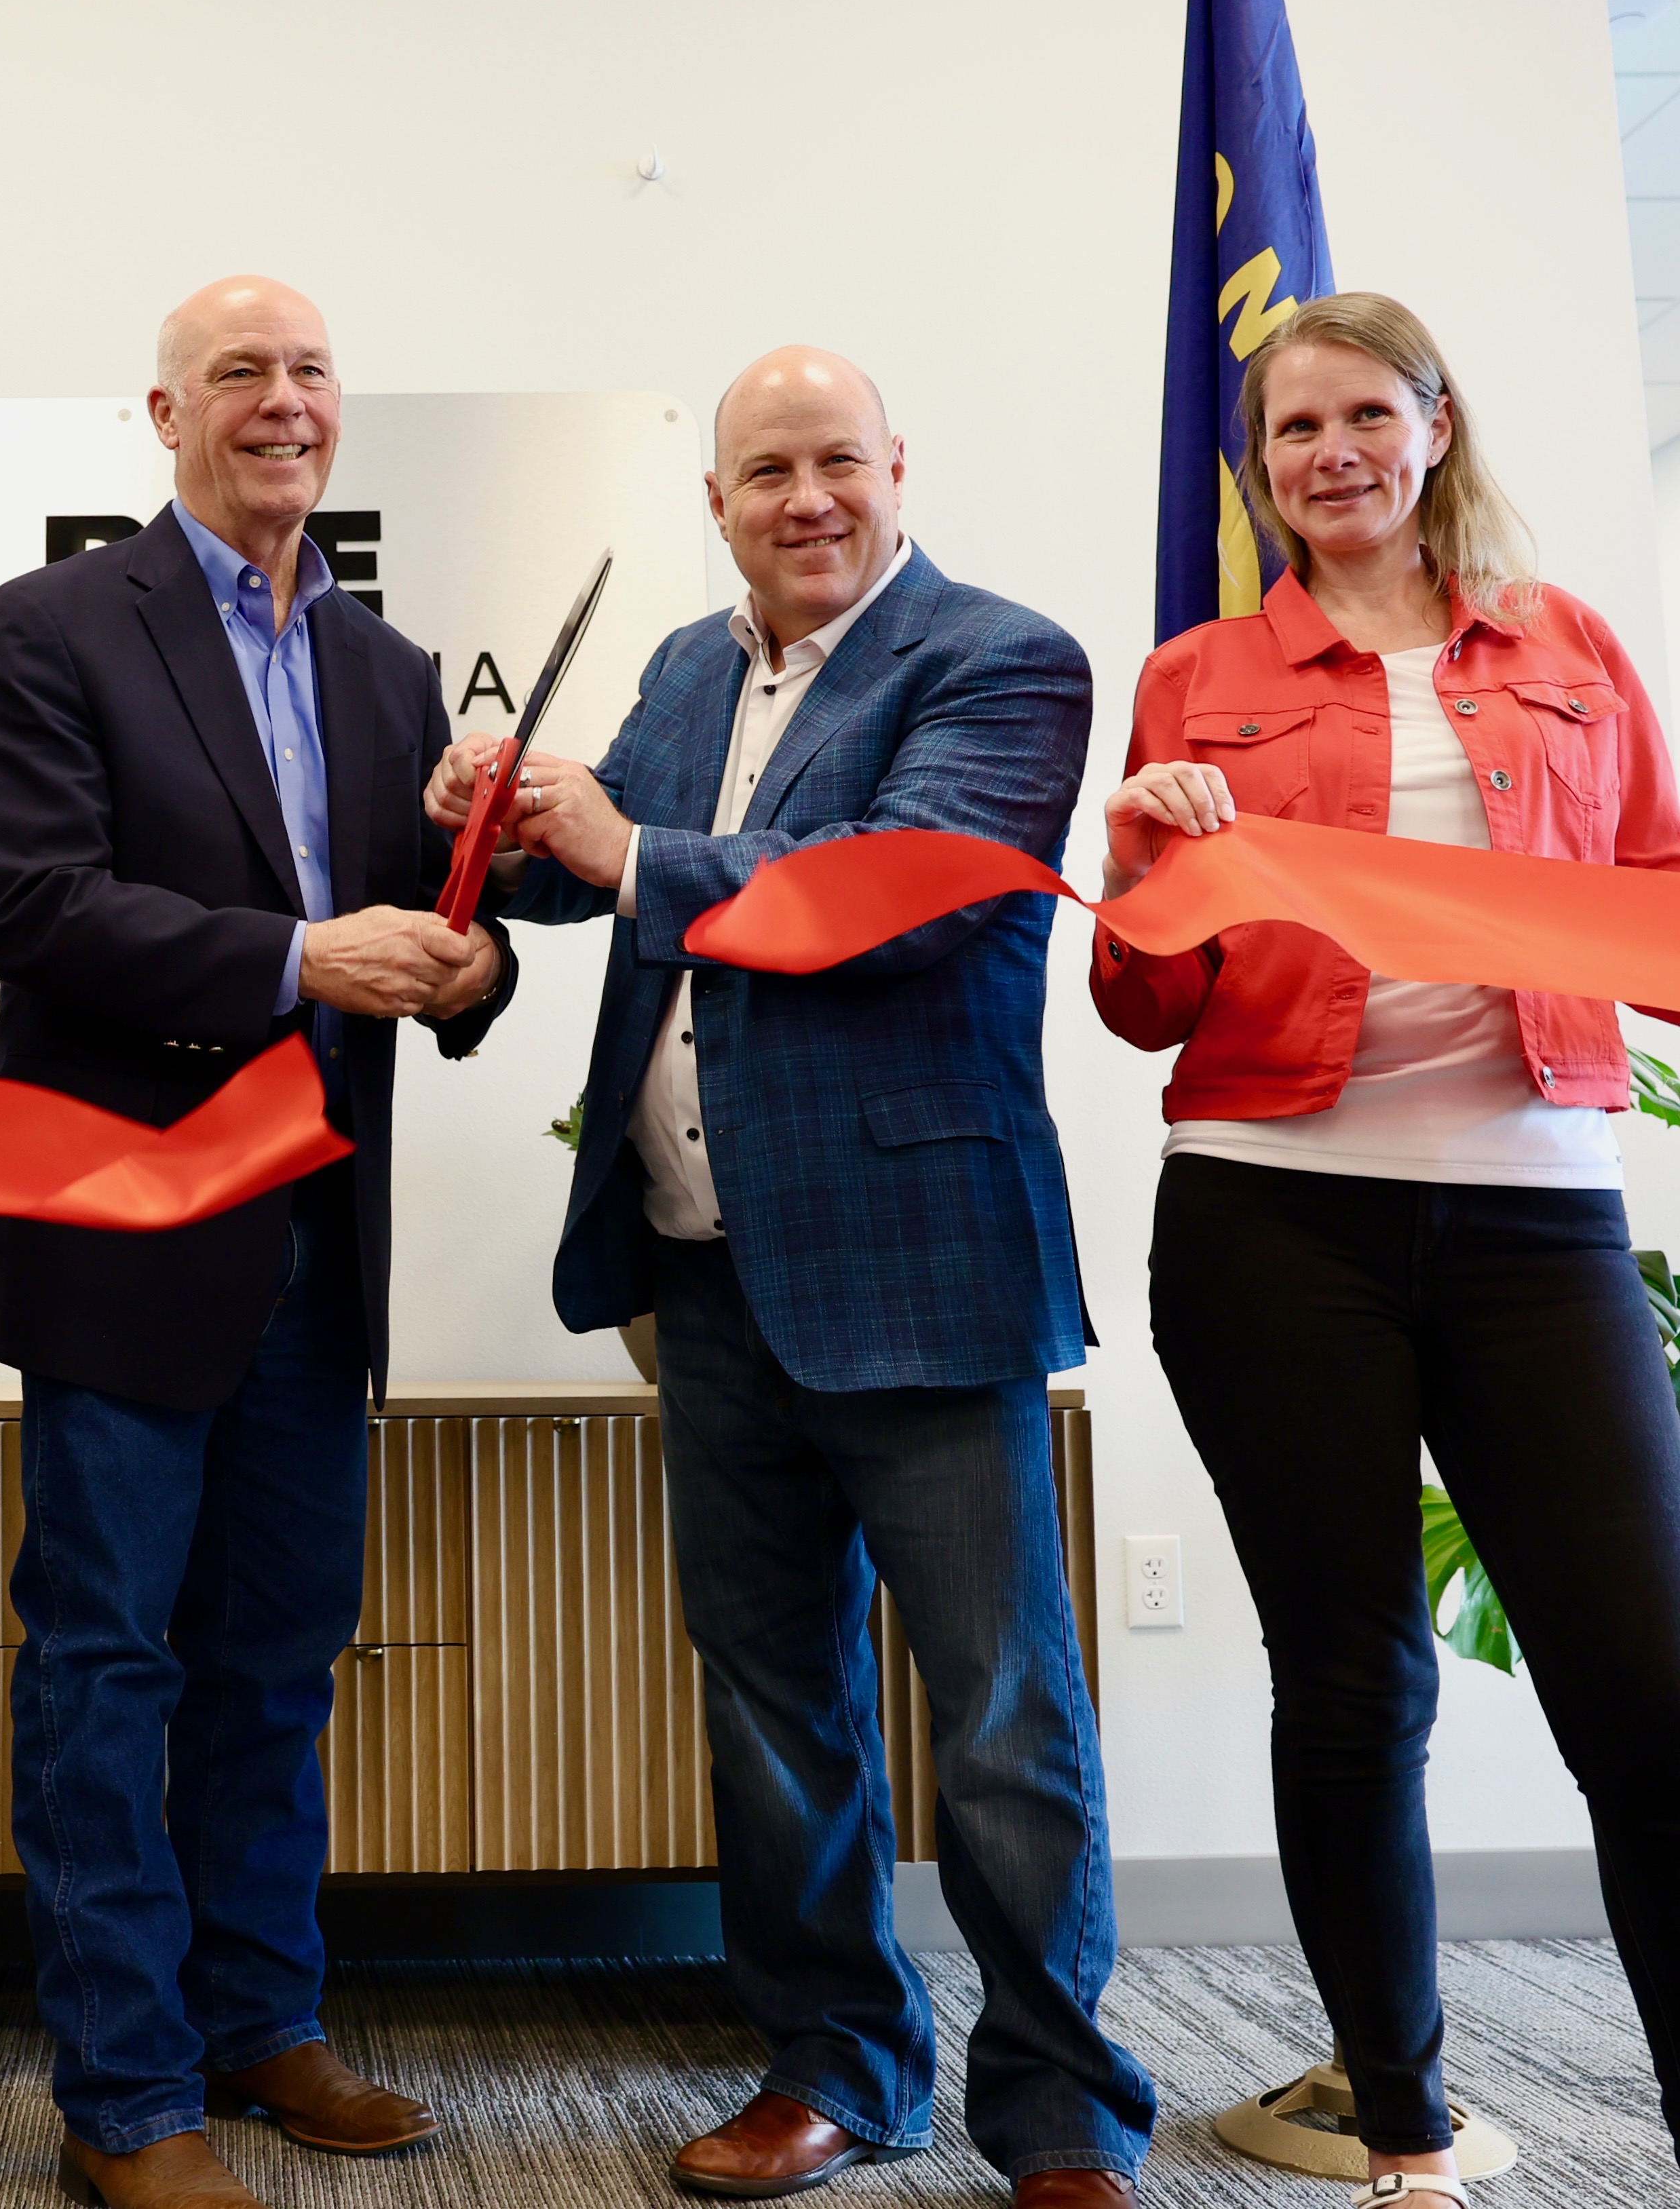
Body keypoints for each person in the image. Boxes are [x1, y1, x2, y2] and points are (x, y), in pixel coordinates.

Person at [434, 347, 1149, 2204]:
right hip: (706, 1276)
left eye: (838, 460)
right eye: (767, 471)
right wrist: (498, 813)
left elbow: (891, 889)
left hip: (918, 1270)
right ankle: (836, 2059)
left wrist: (624, 842)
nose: (806, 498)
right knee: (771, 1703)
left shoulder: (1002, 658)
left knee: (1001, 1715)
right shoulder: (691, 665)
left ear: (900, 467)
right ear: (719, 499)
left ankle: (1062, 2112)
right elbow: (595, 874)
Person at [1094, 292, 1680, 2200]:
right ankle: (1405, 2138)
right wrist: (1147, 865)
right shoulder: (1198, 674)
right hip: (1275, 1216)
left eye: (1364, 416)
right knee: (1353, 1685)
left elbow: (1660, 899)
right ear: (1259, 465)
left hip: (1540, 1221)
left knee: (1646, 1693)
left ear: (1434, 425)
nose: (1330, 454)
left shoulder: (1568, 645)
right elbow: (1142, 1002)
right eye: (1293, 429)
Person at [0, 276, 509, 2209]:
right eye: (241, 374)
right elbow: (35, 907)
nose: (283, 401)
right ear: (167, 413)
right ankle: (126, 2092)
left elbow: (425, 937)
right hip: (133, 1233)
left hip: (316, 1246)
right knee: (106, 1666)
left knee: (277, 1660)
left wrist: (470, 963)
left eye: (311, 372)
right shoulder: (50, 628)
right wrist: (297, 958)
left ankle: (263, 2021)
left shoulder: (390, 666)